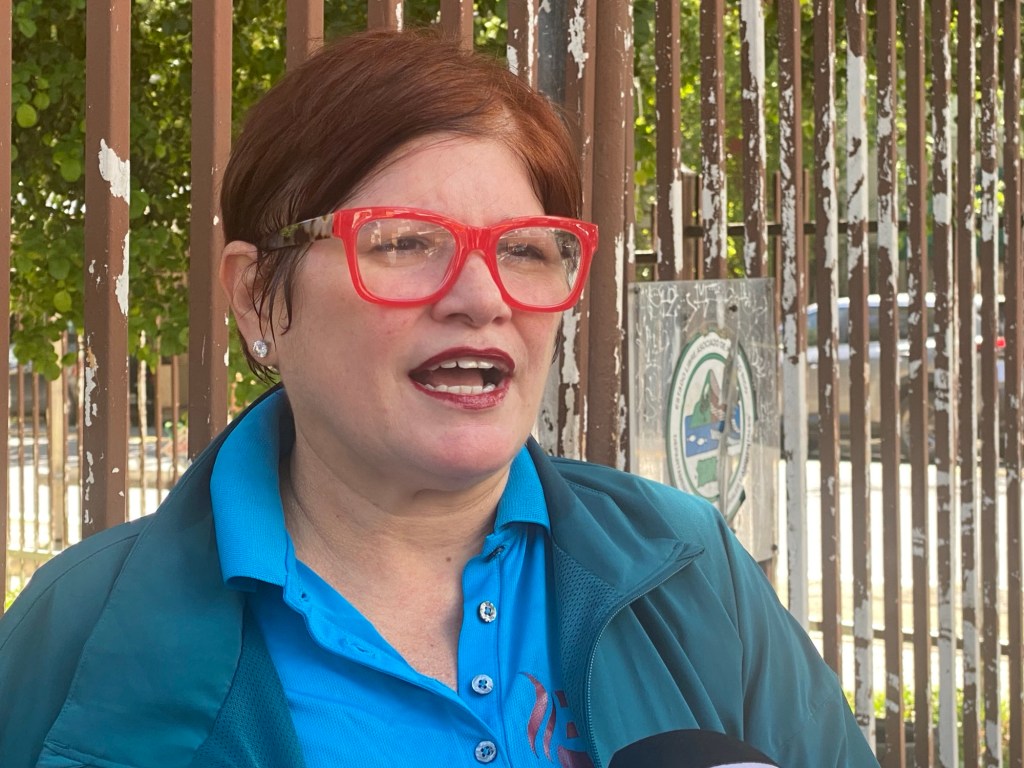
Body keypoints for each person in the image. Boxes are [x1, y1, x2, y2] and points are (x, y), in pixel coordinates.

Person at [0, 28, 878, 768]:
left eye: (526, 249)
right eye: (405, 242)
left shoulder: (687, 568)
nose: (482, 297)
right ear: (258, 297)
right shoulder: (82, 629)